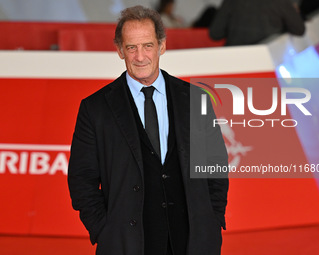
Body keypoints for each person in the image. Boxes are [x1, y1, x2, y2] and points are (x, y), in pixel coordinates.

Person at [68, 5, 229, 255]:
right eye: (131, 47)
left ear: (162, 46)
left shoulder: (194, 99)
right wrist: (104, 229)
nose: (140, 56)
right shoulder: (95, 108)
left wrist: (212, 218)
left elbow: (215, 164)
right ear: (120, 50)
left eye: (147, 46)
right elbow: (82, 180)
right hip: (127, 244)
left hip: (193, 242)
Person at [209, 0, 306, 46]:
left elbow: (215, 33)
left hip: (235, 60)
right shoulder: (281, 2)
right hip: (268, 58)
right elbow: (299, 29)